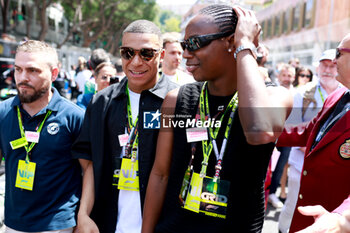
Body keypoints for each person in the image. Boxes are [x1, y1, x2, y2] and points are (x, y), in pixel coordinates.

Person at [141, 4, 292, 233]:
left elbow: (258, 130)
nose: (186, 53)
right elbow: (160, 175)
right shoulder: (176, 100)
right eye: (184, 45)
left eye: (194, 43)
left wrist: (246, 47)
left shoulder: (276, 96)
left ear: (231, 42)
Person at [71, 20, 178, 233]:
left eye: (146, 53)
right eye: (128, 53)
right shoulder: (101, 102)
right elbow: (89, 160)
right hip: (106, 223)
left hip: (162, 225)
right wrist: (83, 214)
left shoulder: (180, 101)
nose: (136, 62)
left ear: (161, 56)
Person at [0, 40, 84, 232]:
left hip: (57, 225)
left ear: (54, 74)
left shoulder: (74, 117)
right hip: (13, 224)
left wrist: (84, 215)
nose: (22, 77)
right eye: (18, 69)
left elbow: (89, 171)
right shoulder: (3, 112)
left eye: (32, 71)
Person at [276, 34, 350, 232]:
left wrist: (339, 218)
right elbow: (307, 131)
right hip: (309, 217)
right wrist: (263, 129)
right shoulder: (338, 95)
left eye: (339, 53)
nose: (334, 61)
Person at [268, 63, 296, 209]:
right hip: (270, 135)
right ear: (279, 76)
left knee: (281, 166)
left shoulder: (299, 93)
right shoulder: (270, 90)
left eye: (289, 76)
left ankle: (272, 192)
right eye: (284, 75)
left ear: (294, 77)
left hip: (289, 136)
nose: (286, 78)